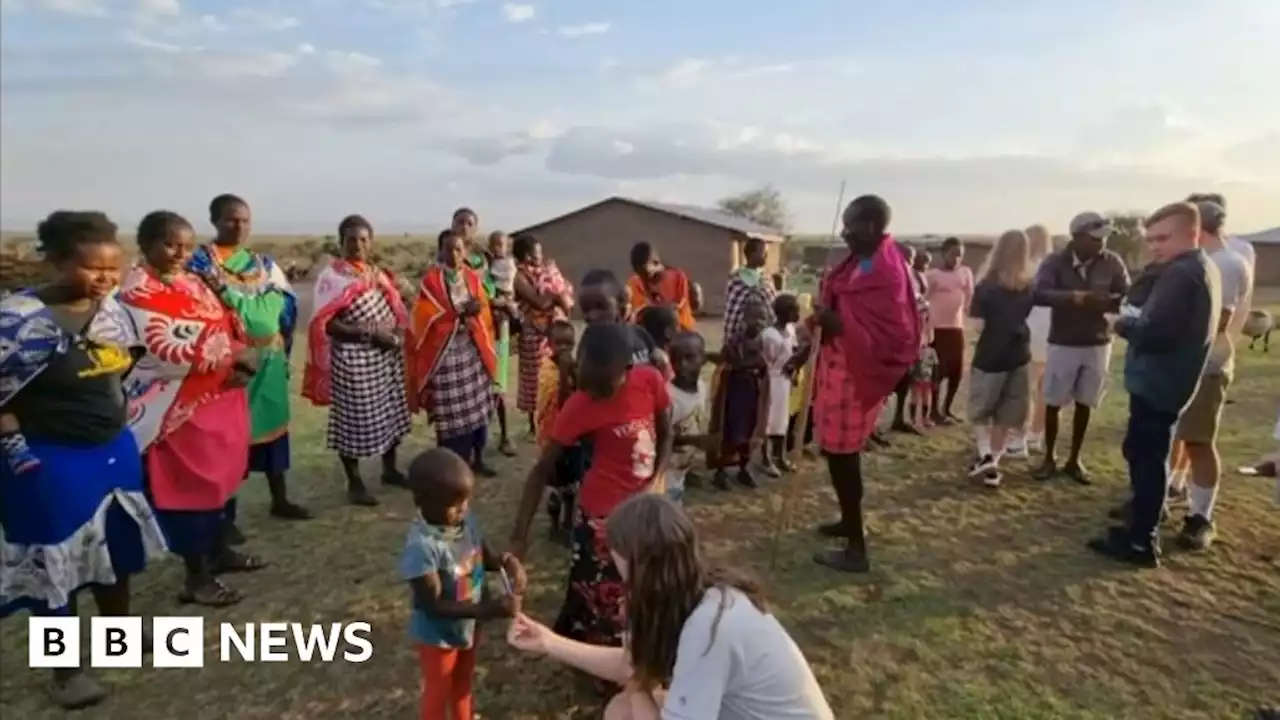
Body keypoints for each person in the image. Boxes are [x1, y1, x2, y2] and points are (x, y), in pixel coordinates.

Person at [0, 211, 167, 709]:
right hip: (47, 462)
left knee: (115, 550)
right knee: (58, 569)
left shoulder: (111, 310)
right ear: (54, 259)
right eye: (92, 268)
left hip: (111, 452)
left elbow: (123, 362)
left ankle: (120, 637)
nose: (105, 279)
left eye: (112, 269)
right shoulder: (17, 323)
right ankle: (66, 672)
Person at [506, 494, 835, 720]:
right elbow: (631, 663)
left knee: (626, 708)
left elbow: (633, 671)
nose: (610, 558)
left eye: (615, 550)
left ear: (640, 565)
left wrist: (637, 682)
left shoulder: (708, 629)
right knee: (622, 710)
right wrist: (549, 642)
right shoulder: (701, 591)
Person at [121, 211, 261, 607]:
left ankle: (219, 551)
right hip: (178, 409)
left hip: (220, 398)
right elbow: (166, 346)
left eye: (186, 245)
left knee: (222, 481)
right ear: (145, 244)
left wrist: (237, 357)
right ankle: (195, 576)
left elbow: (226, 322)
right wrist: (233, 356)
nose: (180, 253)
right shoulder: (137, 292)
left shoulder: (193, 281)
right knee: (191, 490)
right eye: (169, 244)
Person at [509, 323, 673, 656]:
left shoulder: (649, 381)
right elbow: (542, 469)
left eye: (602, 387)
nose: (594, 394)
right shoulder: (581, 405)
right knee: (604, 598)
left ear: (628, 370)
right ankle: (604, 660)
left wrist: (658, 477)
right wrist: (519, 536)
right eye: (588, 385)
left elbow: (667, 429)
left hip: (645, 510)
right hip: (602, 516)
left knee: (642, 588)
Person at [1088, 201, 1219, 568]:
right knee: (1143, 454)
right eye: (1151, 239)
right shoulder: (1193, 267)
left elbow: (1155, 333)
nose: (1155, 246)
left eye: (1163, 238)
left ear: (1191, 233)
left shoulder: (1182, 274)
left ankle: (1142, 540)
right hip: (1166, 380)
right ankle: (1142, 524)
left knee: (1149, 461)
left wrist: (1120, 323)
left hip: (1160, 382)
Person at [808, 195, 920, 572]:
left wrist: (840, 325)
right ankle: (847, 519)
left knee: (843, 456)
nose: (844, 232)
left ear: (871, 227)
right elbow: (845, 307)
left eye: (850, 224)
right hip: (839, 366)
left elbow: (896, 333)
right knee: (836, 452)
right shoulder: (862, 260)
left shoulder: (886, 271)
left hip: (857, 374)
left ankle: (857, 549)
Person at [188, 193, 309, 531]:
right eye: (231, 219)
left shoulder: (263, 264)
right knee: (230, 440)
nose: (239, 226)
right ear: (214, 221)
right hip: (230, 366)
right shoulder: (200, 265)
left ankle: (280, 499)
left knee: (273, 430)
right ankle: (227, 520)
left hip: (268, 361)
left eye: (244, 220)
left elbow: (286, 305)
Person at [400, 447, 526, 720]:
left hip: (470, 623)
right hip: (438, 636)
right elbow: (431, 605)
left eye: (466, 500)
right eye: (455, 504)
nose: (464, 508)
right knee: (439, 689)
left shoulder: (466, 521)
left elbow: (487, 558)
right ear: (424, 502)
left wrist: (508, 562)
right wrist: (488, 609)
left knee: (464, 680)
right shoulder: (422, 548)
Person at [302, 215, 412, 505]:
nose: (358, 245)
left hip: (387, 357)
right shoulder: (332, 278)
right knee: (352, 421)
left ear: (371, 242)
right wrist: (369, 335)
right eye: (351, 239)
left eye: (363, 239)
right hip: (353, 360)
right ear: (341, 243)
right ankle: (355, 482)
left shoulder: (379, 274)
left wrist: (397, 335)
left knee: (392, 415)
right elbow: (327, 323)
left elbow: (398, 310)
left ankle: (390, 470)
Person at [1166, 200, 1251, 551]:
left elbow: (1218, 322)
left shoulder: (1226, 263)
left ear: (1197, 227)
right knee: (1171, 435)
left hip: (1206, 364)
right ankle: (1160, 499)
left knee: (1199, 441)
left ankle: (1201, 517)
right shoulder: (1202, 260)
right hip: (1180, 362)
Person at [1030, 211, 1130, 485]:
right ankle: (1049, 457)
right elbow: (1038, 293)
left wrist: (1109, 301)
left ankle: (1075, 459)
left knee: (1086, 401)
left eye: (1103, 238)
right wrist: (1076, 297)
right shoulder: (1055, 262)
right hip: (1064, 341)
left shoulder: (1112, 262)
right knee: (1053, 401)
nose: (1101, 244)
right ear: (1077, 237)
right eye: (1095, 238)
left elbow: (1126, 293)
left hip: (1098, 341)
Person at [408, 230, 499, 477]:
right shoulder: (431, 281)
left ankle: (478, 458)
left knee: (479, 408)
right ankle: (452, 466)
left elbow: (483, 310)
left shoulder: (472, 277)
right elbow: (424, 317)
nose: (454, 254)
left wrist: (476, 311)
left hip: (472, 351)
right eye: (448, 249)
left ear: (465, 251)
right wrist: (458, 314)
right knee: (451, 416)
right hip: (444, 356)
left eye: (458, 249)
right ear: (440, 251)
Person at [965, 229, 1036, 488]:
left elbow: (976, 326)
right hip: (1019, 354)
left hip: (990, 356)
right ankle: (993, 463)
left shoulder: (986, 286)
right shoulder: (1028, 286)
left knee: (981, 410)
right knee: (1006, 415)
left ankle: (985, 455)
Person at [513, 233, 573, 434]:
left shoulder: (546, 272)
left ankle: (554, 415)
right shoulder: (519, 277)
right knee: (534, 379)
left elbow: (564, 297)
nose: (541, 256)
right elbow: (539, 302)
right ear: (527, 256)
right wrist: (557, 296)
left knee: (556, 374)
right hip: (533, 334)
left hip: (553, 332)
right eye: (537, 253)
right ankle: (534, 424)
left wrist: (557, 295)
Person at [707, 296, 769, 490]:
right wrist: (754, 364)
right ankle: (721, 472)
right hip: (734, 393)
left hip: (752, 391)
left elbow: (762, 364)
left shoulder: (760, 340)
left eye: (762, 319)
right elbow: (730, 362)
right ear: (744, 318)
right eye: (755, 318)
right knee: (730, 431)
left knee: (750, 430)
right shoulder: (735, 341)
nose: (759, 323)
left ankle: (744, 469)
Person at [534, 320, 583, 544]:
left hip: (572, 440)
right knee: (554, 488)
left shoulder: (572, 366)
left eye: (569, 343)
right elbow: (563, 403)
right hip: (552, 439)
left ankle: (568, 524)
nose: (564, 348)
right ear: (550, 344)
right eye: (559, 343)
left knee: (572, 486)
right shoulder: (546, 369)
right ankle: (555, 526)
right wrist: (565, 373)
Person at [924, 237, 973, 424]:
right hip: (937, 328)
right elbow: (922, 298)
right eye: (952, 254)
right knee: (937, 370)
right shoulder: (933, 275)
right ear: (943, 254)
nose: (956, 259)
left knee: (956, 370)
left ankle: (948, 408)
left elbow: (970, 297)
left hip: (956, 327)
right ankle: (934, 410)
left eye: (959, 255)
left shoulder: (966, 273)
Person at [1020, 224, 1055, 454]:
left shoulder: (1026, 267)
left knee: (1025, 386)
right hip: (1053, 332)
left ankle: (1020, 433)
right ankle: (1036, 433)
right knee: (1044, 389)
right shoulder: (1056, 267)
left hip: (1031, 329)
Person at [890, 244, 930, 434]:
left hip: (910, 333)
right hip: (891, 334)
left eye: (912, 258)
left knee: (907, 378)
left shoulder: (912, 276)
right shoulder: (891, 274)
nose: (910, 262)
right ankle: (869, 428)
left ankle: (898, 418)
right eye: (907, 258)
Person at [666, 330, 710, 503]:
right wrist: (694, 440)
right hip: (664, 477)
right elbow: (660, 438)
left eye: (690, 358)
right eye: (676, 359)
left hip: (679, 473)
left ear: (703, 359)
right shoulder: (668, 397)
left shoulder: (701, 387)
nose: (682, 365)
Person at [762, 293, 801, 475]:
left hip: (785, 381)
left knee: (782, 420)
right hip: (772, 381)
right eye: (795, 311)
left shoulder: (791, 330)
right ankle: (765, 458)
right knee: (768, 420)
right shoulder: (769, 335)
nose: (798, 315)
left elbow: (793, 350)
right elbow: (767, 361)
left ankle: (780, 455)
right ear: (784, 313)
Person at [627, 241, 699, 331]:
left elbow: (679, 304)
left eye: (644, 272)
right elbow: (639, 310)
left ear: (656, 262)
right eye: (638, 273)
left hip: (681, 328)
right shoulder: (635, 281)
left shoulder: (678, 276)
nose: (642, 277)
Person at [724, 236, 778, 339]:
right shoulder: (735, 279)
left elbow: (772, 307)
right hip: (739, 337)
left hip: (764, 335)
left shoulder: (766, 278)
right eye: (763, 252)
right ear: (752, 254)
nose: (766, 255)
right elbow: (732, 313)